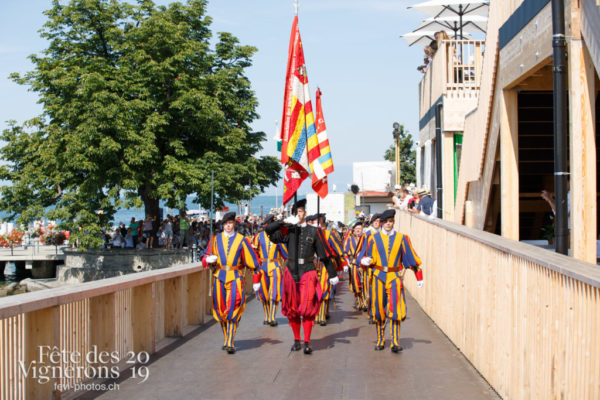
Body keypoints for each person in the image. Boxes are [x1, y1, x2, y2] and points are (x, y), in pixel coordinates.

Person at [265, 198, 338, 354]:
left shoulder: (315, 231)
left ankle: (307, 341)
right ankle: (296, 340)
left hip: (308, 270)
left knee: (307, 308)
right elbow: (269, 230)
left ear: (305, 212)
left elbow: (323, 254)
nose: (298, 214)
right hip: (291, 270)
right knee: (292, 309)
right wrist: (284, 222)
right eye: (295, 212)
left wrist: (332, 273)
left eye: (300, 211)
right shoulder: (288, 230)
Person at [361, 209, 423, 353]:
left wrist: (418, 276)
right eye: (387, 222)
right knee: (378, 310)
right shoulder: (373, 238)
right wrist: (364, 260)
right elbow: (363, 254)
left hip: (394, 277)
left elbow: (411, 257)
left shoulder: (402, 238)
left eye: (391, 222)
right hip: (378, 276)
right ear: (382, 223)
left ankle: (395, 342)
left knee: (396, 309)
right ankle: (380, 339)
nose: (389, 224)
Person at [203, 212, 260, 354]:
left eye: (230, 223)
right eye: (226, 224)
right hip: (219, 277)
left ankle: (230, 341)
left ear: (234, 224)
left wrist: (256, 280)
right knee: (220, 309)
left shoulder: (242, 240)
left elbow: (253, 261)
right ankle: (227, 337)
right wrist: (208, 260)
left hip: (235, 277)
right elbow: (205, 256)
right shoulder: (215, 239)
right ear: (223, 225)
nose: (228, 226)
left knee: (233, 307)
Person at [252, 215, 288, 326]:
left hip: (275, 265)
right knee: (264, 294)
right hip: (262, 266)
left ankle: (272, 317)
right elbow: (255, 253)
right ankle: (267, 316)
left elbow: (285, 254)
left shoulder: (279, 236)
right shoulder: (258, 237)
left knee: (275, 293)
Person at [315, 213, 346, 326]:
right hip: (313, 266)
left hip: (326, 265)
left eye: (318, 222)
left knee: (324, 290)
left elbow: (339, 249)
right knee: (314, 291)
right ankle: (317, 313)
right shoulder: (311, 234)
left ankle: (322, 315)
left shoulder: (330, 234)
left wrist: (341, 262)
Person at [343, 219, 368, 312]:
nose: (358, 230)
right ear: (353, 230)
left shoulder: (365, 238)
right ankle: (359, 301)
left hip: (364, 265)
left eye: (360, 228)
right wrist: (347, 263)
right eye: (356, 228)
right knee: (356, 284)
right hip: (353, 265)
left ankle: (365, 302)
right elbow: (345, 252)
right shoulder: (349, 239)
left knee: (365, 284)